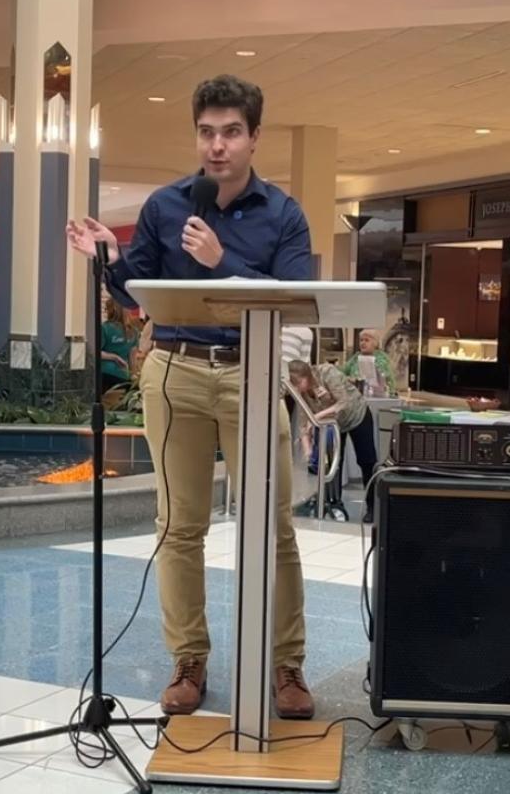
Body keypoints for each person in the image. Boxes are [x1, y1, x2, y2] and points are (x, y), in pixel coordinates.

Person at [66, 75, 315, 719]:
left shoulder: (283, 215)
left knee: (274, 527)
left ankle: (287, 667)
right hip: (174, 370)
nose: (218, 145)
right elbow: (132, 292)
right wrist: (106, 258)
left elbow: (291, 303)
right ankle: (188, 659)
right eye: (207, 132)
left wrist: (220, 261)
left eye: (232, 132)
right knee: (179, 529)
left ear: (254, 137)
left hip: (251, 373)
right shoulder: (165, 205)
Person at [289, 359, 378, 523]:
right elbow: (303, 424)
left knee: (366, 460)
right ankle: (335, 504)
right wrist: (308, 452)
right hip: (333, 424)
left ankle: (373, 506)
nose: (294, 387)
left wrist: (316, 416)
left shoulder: (328, 373)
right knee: (332, 465)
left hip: (356, 415)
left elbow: (344, 402)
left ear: (306, 377)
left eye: (297, 382)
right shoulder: (300, 393)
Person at [343, 328, 396, 397]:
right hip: (354, 395)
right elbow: (342, 372)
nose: (363, 343)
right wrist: (347, 379)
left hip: (377, 397)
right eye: (361, 340)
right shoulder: (355, 358)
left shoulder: (382, 360)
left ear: (375, 343)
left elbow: (388, 381)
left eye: (367, 340)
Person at [101, 298, 139, 391]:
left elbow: (96, 352)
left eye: (106, 309)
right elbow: (132, 359)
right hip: (123, 376)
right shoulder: (133, 332)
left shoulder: (104, 328)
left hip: (104, 373)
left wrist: (114, 357)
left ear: (112, 310)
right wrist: (133, 376)